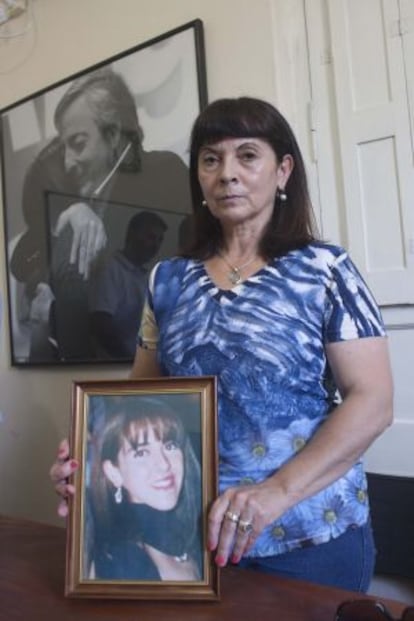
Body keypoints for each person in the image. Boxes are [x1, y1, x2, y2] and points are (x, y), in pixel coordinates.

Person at [51, 96, 393, 592]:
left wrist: (275, 492)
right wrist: (91, 462)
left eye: (247, 155)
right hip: (194, 538)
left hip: (311, 537)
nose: (226, 173)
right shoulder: (167, 281)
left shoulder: (326, 270)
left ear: (283, 171)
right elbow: (140, 402)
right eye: (211, 159)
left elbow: (374, 401)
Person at [10, 67, 191, 362]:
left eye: (78, 143)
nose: (68, 161)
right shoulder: (80, 195)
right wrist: (67, 211)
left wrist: (54, 314)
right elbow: (22, 262)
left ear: (114, 134)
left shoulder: (164, 173)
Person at [84, 396, 202, 580]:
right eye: (141, 453)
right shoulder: (122, 561)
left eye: (170, 446)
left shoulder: (194, 538)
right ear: (114, 473)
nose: (163, 465)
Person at [89, 210, 168, 360]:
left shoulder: (146, 275)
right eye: (151, 237)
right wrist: (129, 360)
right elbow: (101, 325)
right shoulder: (109, 269)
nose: (156, 245)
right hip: (117, 369)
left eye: (160, 240)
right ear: (132, 235)